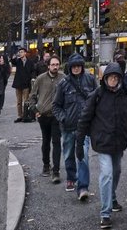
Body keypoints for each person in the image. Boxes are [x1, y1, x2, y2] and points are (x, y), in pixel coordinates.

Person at [78, 63, 127, 229]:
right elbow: (85, 117)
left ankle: (112, 197)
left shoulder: (125, 93)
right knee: (107, 174)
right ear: (105, 78)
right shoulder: (97, 94)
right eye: (110, 77)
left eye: (116, 77)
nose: (113, 80)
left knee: (116, 172)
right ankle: (105, 213)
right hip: (102, 141)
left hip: (119, 141)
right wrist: (79, 143)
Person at [54, 55, 96, 199]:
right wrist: (63, 118)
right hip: (68, 126)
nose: (76, 68)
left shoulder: (90, 80)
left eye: (79, 65)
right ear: (70, 67)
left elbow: (98, 98)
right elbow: (56, 106)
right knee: (68, 154)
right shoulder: (63, 84)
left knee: (83, 156)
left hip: (84, 127)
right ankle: (71, 177)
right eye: (74, 66)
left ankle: (83, 187)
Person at [27, 55, 63, 184]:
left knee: (57, 142)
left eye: (57, 64)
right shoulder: (40, 79)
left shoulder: (63, 78)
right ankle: (46, 165)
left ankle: (56, 171)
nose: (55, 67)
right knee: (46, 141)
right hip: (43, 115)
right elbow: (32, 96)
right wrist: (35, 111)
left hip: (57, 116)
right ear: (48, 66)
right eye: (53, 64)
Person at [11, 50, 36, 122]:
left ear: (25, 53)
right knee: (19, 101)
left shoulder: (30, 62)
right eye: (19, 52)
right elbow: (13, 62)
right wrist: (13, 58)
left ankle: (25, 115)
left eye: (21, 52)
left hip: (26, 84)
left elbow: (33, 70)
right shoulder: (18, 61)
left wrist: (33, 78)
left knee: (26, 101)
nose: (20, 53)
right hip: (18, 84)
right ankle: (20, 116)